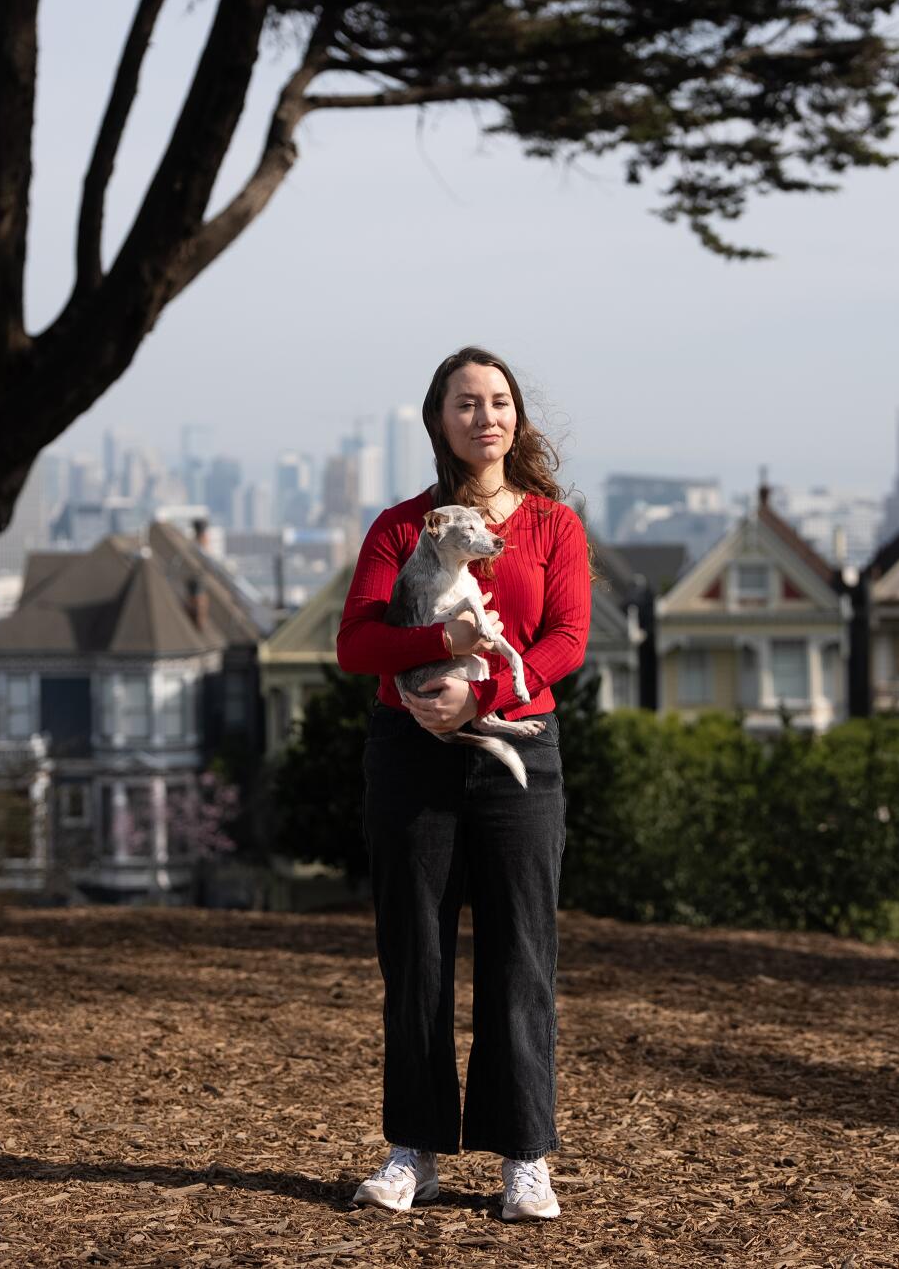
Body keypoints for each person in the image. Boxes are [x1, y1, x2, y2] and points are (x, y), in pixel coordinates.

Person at [334, 346, 591, 1222]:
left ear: (517, 418)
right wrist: (441, 654)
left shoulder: (554, 525)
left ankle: (526, 1156)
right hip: (409, 754)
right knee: (416, 954)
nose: (487, 417)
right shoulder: (402, 528)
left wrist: (478, 690)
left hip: (520, 745)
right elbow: (357, 646)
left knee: (523, 952)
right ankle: (414, 1152)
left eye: (500, 401)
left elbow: (565, 640)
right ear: (439, 420)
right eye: (467, 403)